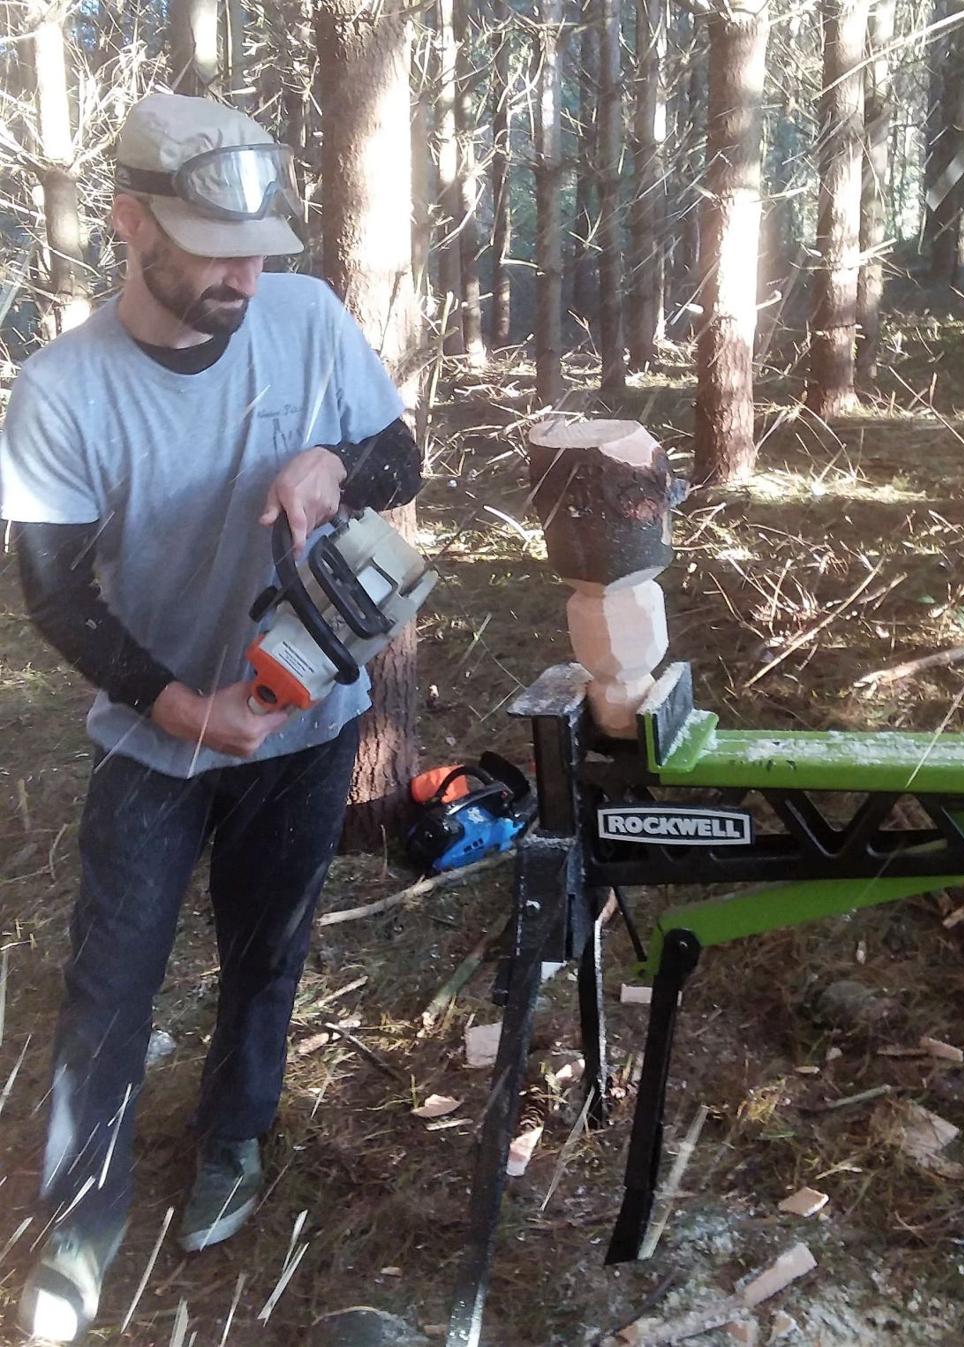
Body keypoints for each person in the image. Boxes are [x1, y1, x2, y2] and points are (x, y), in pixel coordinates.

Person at [0, 92, 422, 1342]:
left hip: (305, 726)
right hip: (154, 738)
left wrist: (333, 464)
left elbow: (403, 454)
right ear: (132, 223)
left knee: (266, 951)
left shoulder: (303, 317)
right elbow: (55, 597)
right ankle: (82, 1218)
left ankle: (234, 1136)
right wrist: (185, 707)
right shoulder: (64, 392)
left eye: (261, 246)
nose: (248, 272)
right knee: (111, 982)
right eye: (214, 245)